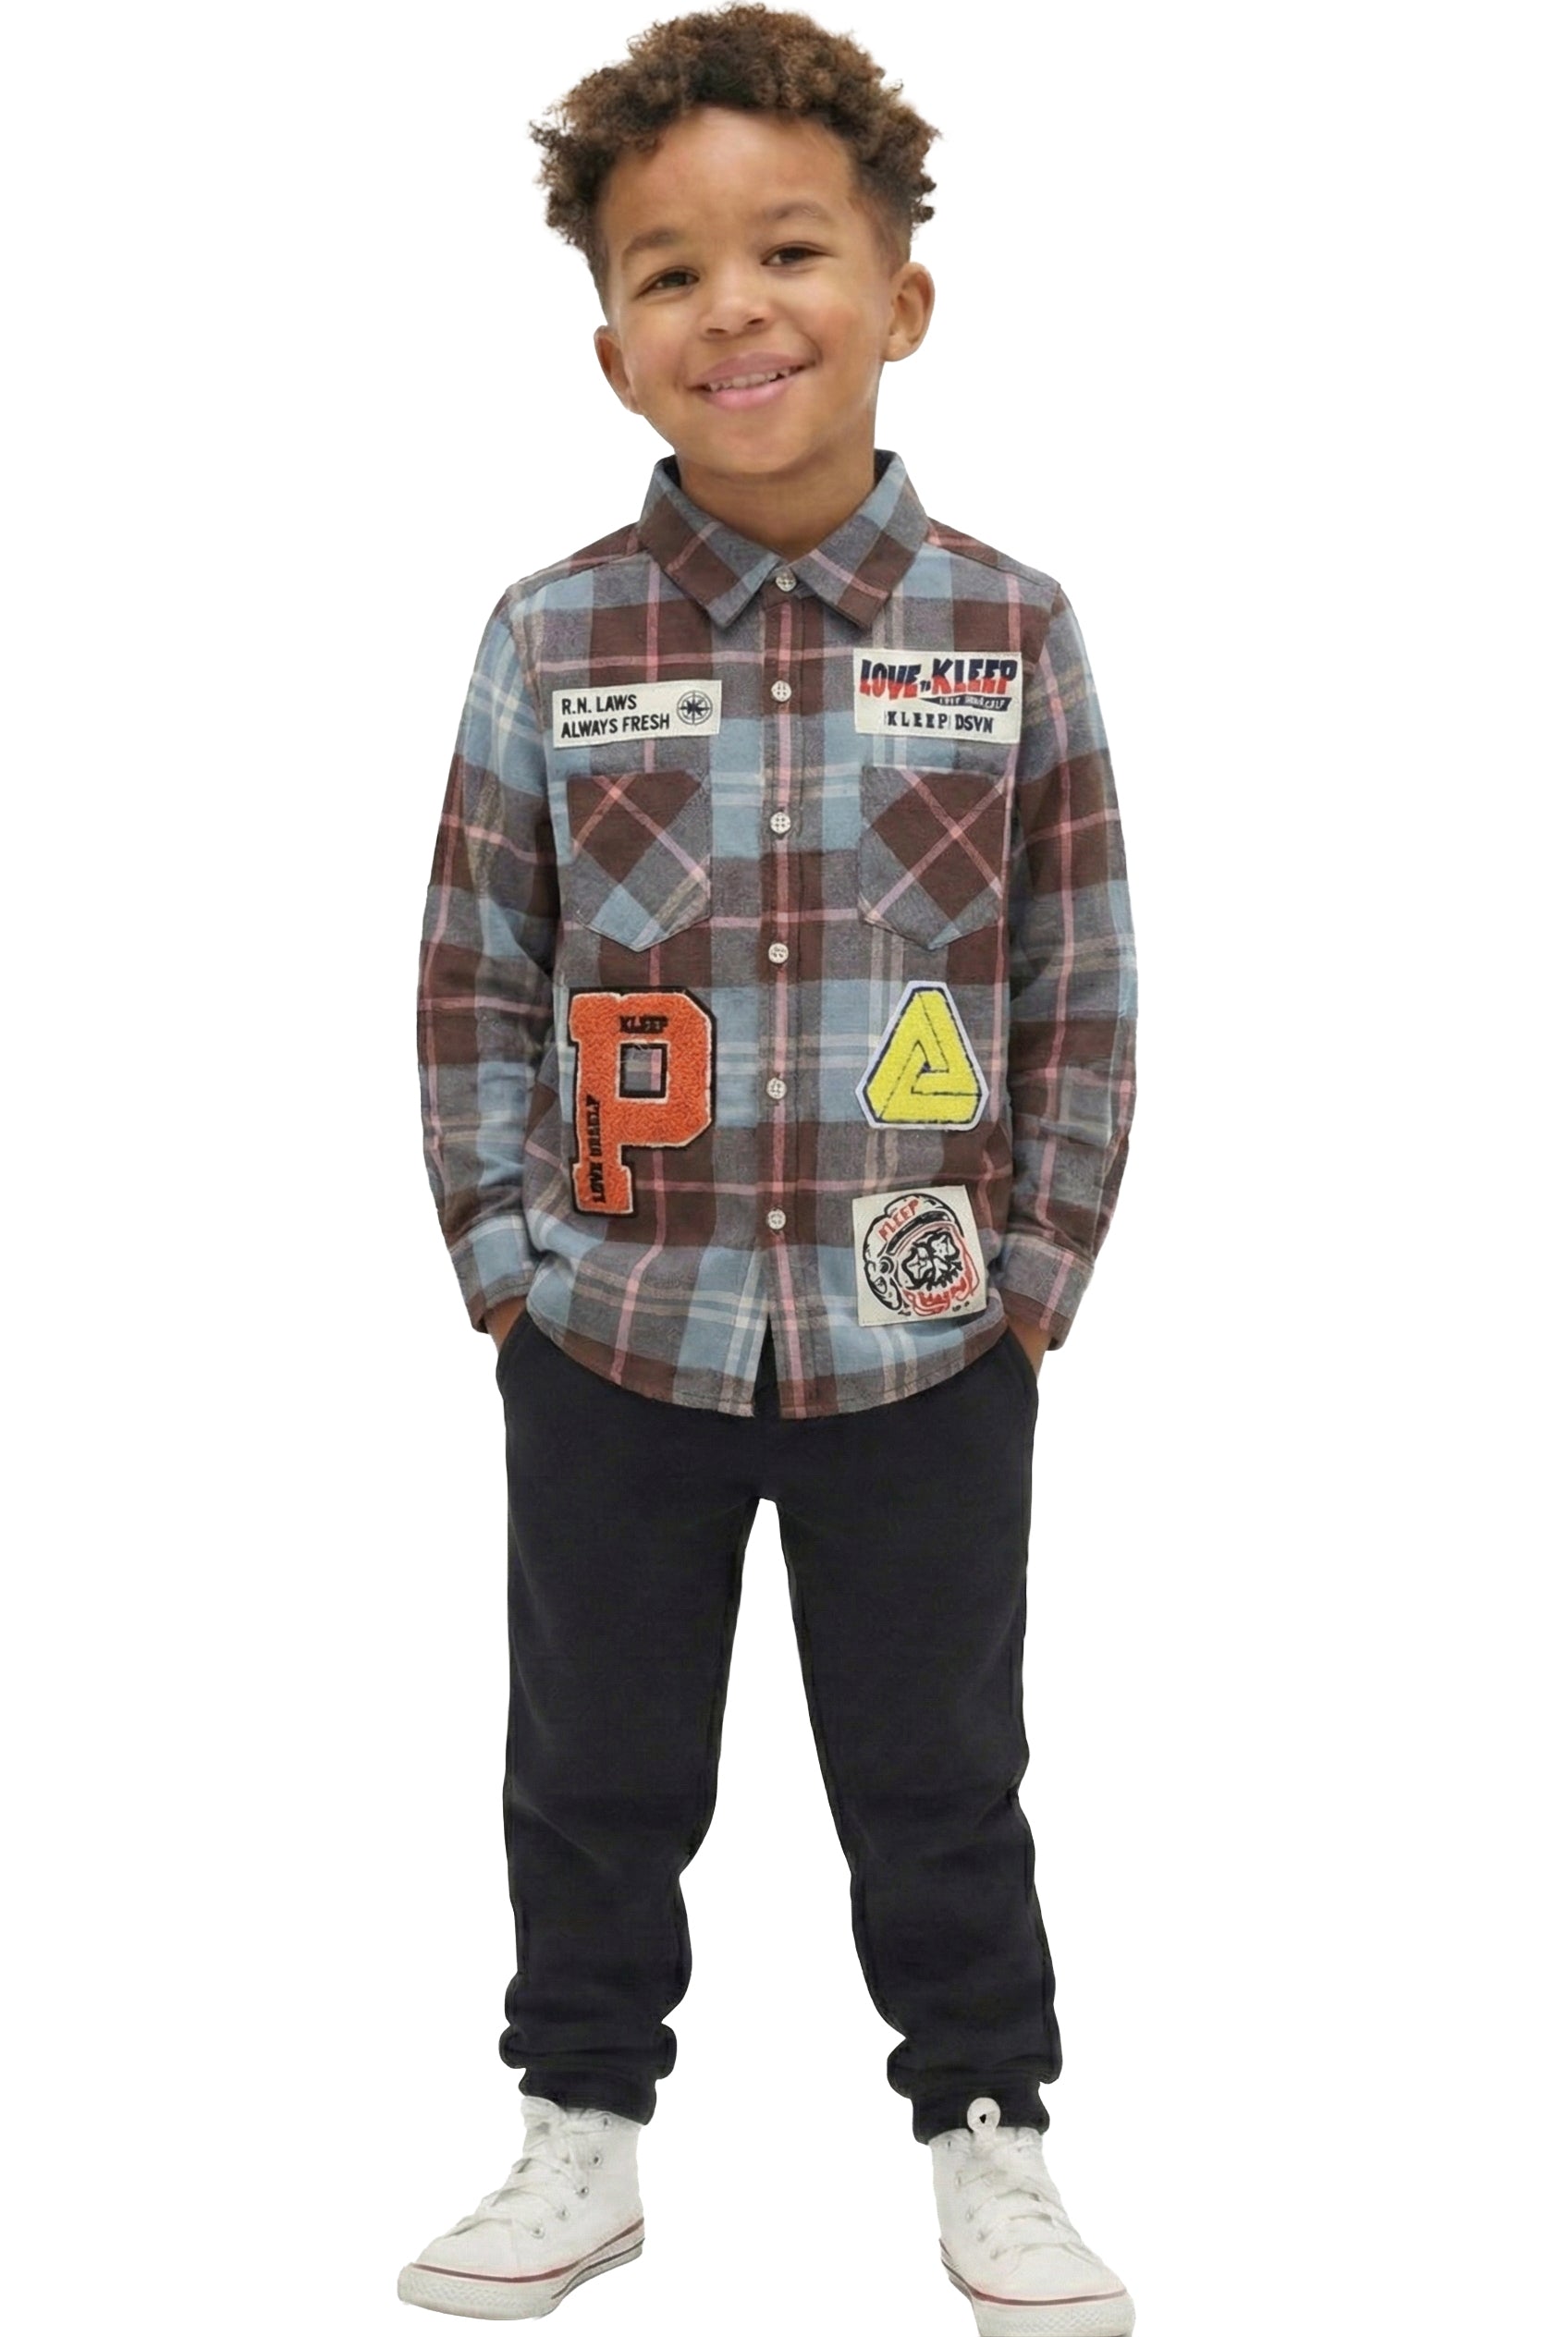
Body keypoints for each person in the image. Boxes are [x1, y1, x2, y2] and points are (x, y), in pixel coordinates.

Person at [402, 7, 1139, 2330]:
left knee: (939, 1762)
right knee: (590, 1758)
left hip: (923, 1335)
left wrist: (1030, 1278)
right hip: (613, 1331)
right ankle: (580, 2119)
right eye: (667, 271)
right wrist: (506, 1264)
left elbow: (1078, 971)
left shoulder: (1007, 631)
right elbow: (474, 966)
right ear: (611, 348)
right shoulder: (550, 637)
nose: (732, 305)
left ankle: (986, 2123)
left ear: (898, 297)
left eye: (788, 250)